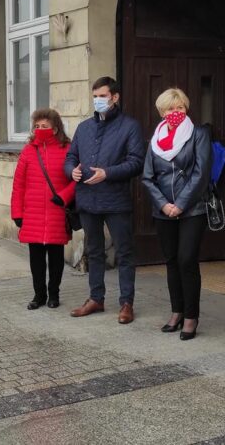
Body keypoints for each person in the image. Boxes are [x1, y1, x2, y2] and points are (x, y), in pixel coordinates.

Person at [64, 76, 145, 324]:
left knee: (124, 252)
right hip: (88, 199)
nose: (98, 100)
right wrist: (72, 171)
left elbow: (136, 162)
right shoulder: (84, 128)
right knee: (94, 251)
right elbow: (70, 157)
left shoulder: (129, 126)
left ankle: (126, 303)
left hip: (116, 200)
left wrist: (107, 173)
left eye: (102, 96)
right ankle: (96, 298)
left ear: (115, 97)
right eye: (95, 96)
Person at [141, 88, 212, 341]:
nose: (176, 112)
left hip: (192, 208)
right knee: (171, 260)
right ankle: (177, 311)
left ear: (186, 109)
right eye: (170, 109)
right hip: (163, 211)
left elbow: (201, 173)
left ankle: (191, 316)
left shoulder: (198, 134)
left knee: (186, 259)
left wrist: (180, 204)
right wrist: (164, 205)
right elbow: (147, 177)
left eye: (180, 107)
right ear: (162, 112)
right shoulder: (155, 139)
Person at [11, 108, 76, 310]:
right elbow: (18, 184)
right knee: (36, 259)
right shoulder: (29, 150)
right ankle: (39, 295)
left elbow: (76, 180)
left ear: (55, 128)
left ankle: (54, 294)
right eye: (37, 126)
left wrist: (64, 197)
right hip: (33, 214)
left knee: (56, 258)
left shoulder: (68, 149)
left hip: (57, 212)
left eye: (44, 126)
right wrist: (17, 213)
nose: (40, 129)